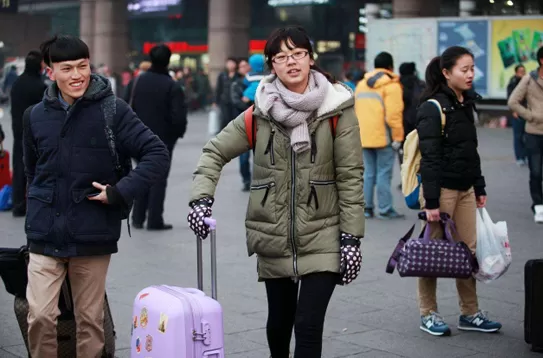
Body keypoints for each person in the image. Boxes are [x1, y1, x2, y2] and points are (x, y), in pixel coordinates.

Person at [187, 26, 364, 357]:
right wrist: (201, 199)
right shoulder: (259, 112)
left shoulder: (338, 109)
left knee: (308, 324)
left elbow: (351, 176)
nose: (291, 62)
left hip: (324, 230)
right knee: (279, 321)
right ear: (271, 65)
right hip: (272, 232)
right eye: (281, 57)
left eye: (298, 53)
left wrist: (351, 239)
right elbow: (214, 151)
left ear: (311, 58)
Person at [24, 35, 170, 357]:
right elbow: (32, 171)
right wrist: (37, 204)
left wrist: (120, 192)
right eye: (67, 68)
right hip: (44, 233)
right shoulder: (34, 116)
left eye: (83, 66)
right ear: (51, 73)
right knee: (40, 317)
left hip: (91, 232)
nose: (77, 75)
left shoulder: (113, 110)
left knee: (89, 321)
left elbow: (156, 154)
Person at [416, 46, 502, 336]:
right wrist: (430, 202)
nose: (470, 74)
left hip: (465, 189)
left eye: (471, 68)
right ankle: (428, 313)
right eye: (463, 69)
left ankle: (470, 313)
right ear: (446, 72)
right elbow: (429, 158)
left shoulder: (466, 103)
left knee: (468, 252)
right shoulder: (432, 107)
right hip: (440, 191)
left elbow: (471, 150)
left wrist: (479, 186)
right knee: (432, 254)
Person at [124, 44, 187, 230]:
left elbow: (124, 108)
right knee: (159, 178)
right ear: (168, 61)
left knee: (142, 174)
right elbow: (178, 117)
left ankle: (137, 217)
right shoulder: (172, 86)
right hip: (162, 140)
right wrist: (175, 136)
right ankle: (154, 219)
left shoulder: (136, 82)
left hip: (136, 137)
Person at [354, 52, 405, 219]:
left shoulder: (361, 84)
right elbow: (393, 116)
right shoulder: (392, 86)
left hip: (363, 137)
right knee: (384, 173)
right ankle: (385, 209)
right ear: (391, 67)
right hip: (384, 137)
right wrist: (398, 137)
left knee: (368, 173)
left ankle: (367, 208)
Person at [9, 50, 47, 217]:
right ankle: (36, 202)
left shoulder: (17, 83)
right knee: (37, 169)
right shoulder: (40, 86)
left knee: (19, 167)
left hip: (18, 132)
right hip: (37, 134)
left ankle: (18, 202)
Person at [508, 47, 543, 224]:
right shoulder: (529, 79)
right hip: (534, 133)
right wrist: (530, 116)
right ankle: (538, 205)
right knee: (536, 171)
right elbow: (513, 101)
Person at [230, 57, 253, 191]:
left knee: (261, 157)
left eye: (247, 66)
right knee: (243, 157)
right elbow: (235, 101)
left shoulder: (259, 81)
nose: (245, 68)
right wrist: (248, 103)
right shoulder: (236, 84)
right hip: (242, 123)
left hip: (259, 124)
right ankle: (246, 179)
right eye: (242, 66)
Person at [507, 64, 528, 166]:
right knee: (518, 136)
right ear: (516, 73)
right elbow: (510, 98)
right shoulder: (513, 83)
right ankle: (519, 157)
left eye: (524, 71)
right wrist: (514, 111)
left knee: (528, 136)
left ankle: (526, 156)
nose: (522, 73)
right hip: (517, 113)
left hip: (527, 113)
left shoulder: (528, 82)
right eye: (520, 71)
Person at [213, 57, 239, 129]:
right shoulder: (222, 75)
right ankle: (222, 135)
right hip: (224, 100)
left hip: (235, 101)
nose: (230, 65)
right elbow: (218, 88)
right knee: (225, 118)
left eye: (232, 63)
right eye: (229, 63)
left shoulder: (238, 75)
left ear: (236, 64)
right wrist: (215, 101)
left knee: (234, 118)